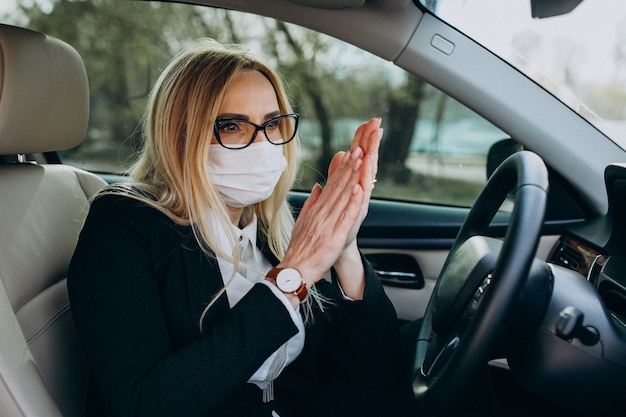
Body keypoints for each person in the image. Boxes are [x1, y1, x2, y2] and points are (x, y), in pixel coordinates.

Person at [68, 39, 408, 417]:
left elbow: (378, 370)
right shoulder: (124, 224)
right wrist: (289, 279)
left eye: (273, 124)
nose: (262, 143)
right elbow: (140, 404)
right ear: (180, 135)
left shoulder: (267, 228)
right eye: (231, 126)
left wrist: (344, 248)